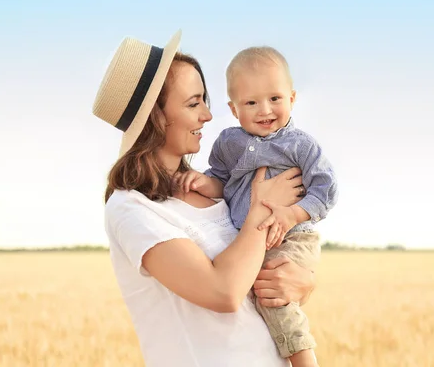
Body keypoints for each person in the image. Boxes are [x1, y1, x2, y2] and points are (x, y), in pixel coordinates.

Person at [91, 30, 317, 367]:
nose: (207, 116)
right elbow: (223, 292)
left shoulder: (216, 191)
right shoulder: (131, 208)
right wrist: (260, 208)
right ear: (156, 116)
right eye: (193, 103)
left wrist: (302, 283)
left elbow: (258, 273)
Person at [175, 46, 339, 366]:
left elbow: (327, 188)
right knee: (255, 292)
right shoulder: (228, 143)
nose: (265, 110)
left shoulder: (301, 146)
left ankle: (305, 361)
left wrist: (293, 213)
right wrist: (205, 184)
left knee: (272, 295)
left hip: (292, 235)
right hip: (253, 237)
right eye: (251, 102)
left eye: (275, 99)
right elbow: (222, 180)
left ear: (292, 98)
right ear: (234, 110)